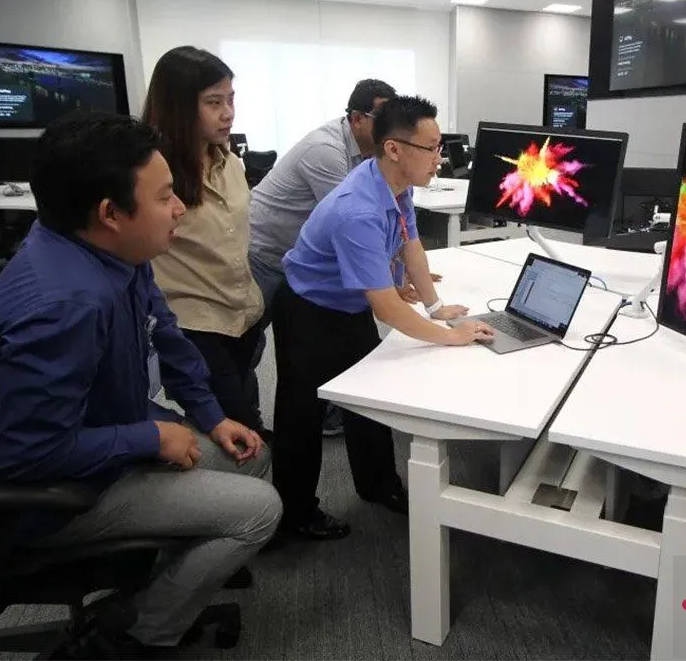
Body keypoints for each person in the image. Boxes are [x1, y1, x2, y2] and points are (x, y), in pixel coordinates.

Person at [0, 112, 281, 653]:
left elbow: (167, 333)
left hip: (102, 430)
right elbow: (27, 455)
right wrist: (150, 438)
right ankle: (134, 633)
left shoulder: (111, 251)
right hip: (51, 495)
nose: (179, 208)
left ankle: (160, 582)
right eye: (164, 197)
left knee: (250, 456)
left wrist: (211, 416)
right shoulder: (65, 306)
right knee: (260, 510)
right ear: (110, 213)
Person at [272, 95, 494, 540]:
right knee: (302, 414)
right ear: (394, 149)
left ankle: (378, 485)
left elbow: (411, 245)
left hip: (347, 304)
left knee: (369, 399)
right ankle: (294, 515)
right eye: (430, 148)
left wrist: (435, 307)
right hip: (308, 309)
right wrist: (452, 336)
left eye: (439, 146)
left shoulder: (396, 185)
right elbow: (388, 308)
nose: (439, 158)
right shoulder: (357, 209)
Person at [248, 79, 398, 438]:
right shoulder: (326, 151)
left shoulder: (369, 154)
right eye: (383, 118)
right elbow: (355, 226)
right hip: (266, 253)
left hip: (297, 257)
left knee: (325, 345)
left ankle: (329, 414)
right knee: (248, 345)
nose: (391, 128)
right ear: (357, 118)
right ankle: (244, 427)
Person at [143, 46, 267, 435]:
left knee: (247, 413)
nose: (228, 113)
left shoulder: (229, 161)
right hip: (196, 325)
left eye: (231, 99)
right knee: (238, 431)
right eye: (214, 102)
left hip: (242, 314)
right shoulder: (152, 174)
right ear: (179, 107)